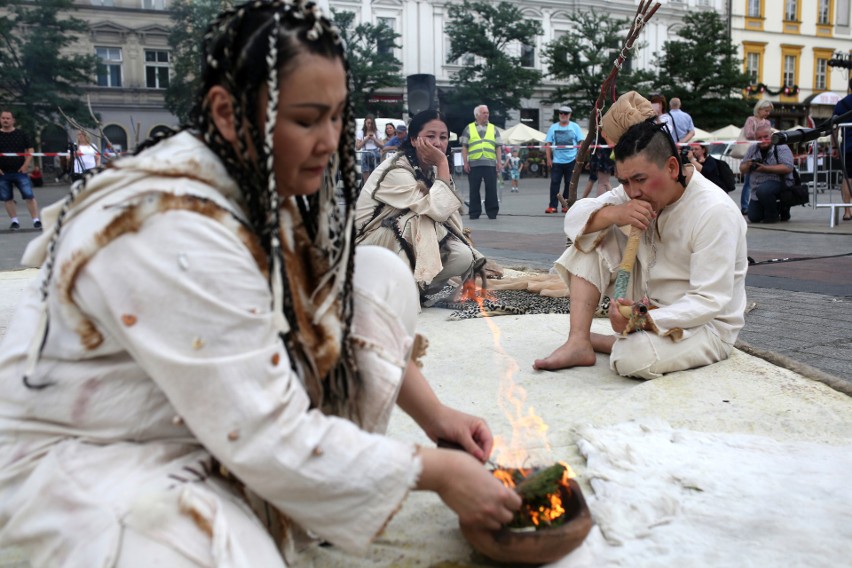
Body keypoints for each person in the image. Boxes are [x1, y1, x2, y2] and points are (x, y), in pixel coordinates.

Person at [0, 2, 520, 565]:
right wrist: (435, 472)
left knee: (378, 275)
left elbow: (325, 314)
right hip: (95, 452)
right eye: (306, 119)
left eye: (338, 117)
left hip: (206, 419)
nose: (329, 140)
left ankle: (309, 499)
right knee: (212, 547)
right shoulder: (169, 221)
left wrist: (437, 418)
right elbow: (263, 431)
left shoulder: (253, 174)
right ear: (227, 112)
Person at [533, 91, 747, 380]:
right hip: (649, 305)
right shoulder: (632, 191)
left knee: (630, 358)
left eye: (640, 180)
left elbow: (709, 301)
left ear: (672, 167)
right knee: (592, 235)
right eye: (625, 182)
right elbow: (574, 219)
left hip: (705, 326)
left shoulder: (714, 211)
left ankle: (611, 343)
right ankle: (579, 340)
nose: (633, 192)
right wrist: (614, 214)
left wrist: (642, 318)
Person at [355, 109, 486, 298]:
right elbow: (437, 210)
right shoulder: (395, 169)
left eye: (443, 137)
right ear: (414, 140)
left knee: (462, 256)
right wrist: (443, 163)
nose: (437, 143)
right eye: (430, 136)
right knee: (417, 221)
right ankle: (393, 289)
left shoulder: (432, 169)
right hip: (370, 245)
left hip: (398, 242)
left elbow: (451, 216)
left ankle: (413, 287)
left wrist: (468, 251)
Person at [740, 124, 795, 223]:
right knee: (754, 217)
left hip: (779, 182)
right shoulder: (752, 149)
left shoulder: (781, 147)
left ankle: (773, 216)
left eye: (765, 137)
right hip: (757, 188)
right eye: (759, 138)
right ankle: (776, 207)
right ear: (755, 139)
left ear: (771, 135)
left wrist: (765, 168)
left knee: (764, 190)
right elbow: (742, 169)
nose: (763, 140)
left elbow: (788, 167)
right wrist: (747, 165)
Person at [0, 110, 41, 230]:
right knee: (7, 198)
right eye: (3, 118)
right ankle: (14, 221)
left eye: (8, 118)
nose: (5, 120)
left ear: (13, 120)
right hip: (3, 172)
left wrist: (26, 165)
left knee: (29, 195)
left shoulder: (21, 133)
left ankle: (36, 220)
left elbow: (31, 150)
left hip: (20, 171)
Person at [460, 105, 502, 220]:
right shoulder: (468, 128)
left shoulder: (494, 129)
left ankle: (492, 212)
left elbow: (498, 147)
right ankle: (474, 212)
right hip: (474, 164)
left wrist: (499, 162)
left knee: (491, 189)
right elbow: (464, 147)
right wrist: (465, 162)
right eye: (484, 113)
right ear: (477, 115)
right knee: (474, 189)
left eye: (487, 112)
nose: (487, 115)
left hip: (490, 163)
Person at [544, 105, 583, 213]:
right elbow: (548, 143)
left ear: (570, 115)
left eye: (566, 113)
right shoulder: (553, 127)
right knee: (554, 183)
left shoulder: (575, 127)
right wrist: (548, 158)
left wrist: (578, 156)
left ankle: (566, 205)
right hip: (557, 161)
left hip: (571, 160)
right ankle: (553, 206)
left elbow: (581, 142)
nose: (563, 115)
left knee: (569, 183)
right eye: (561, 113)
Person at [738, 99, 774, 214]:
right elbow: (748, 134)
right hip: (752, 151)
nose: (768, 113)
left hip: (764, 153)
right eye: (766, 110)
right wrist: (761, 135)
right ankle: (745, 205)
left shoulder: (767, 122)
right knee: (748, 181)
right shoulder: (750, 120)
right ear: (759, 109)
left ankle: (759, 204)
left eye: (769, 111)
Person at [832, 78, 852, 221]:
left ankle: (847, 211)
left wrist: (834, 146)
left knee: (847, 178)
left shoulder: (842, 104)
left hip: (848, 146)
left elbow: (834, 127)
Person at [356, 114, 383, 184]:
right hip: (365, 154)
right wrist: (365, 139)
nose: (369, 125)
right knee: (366, 178)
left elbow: (382, 145)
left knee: (376, 177)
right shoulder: (361, 132)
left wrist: (374, 139)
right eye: (368, 123)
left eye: (371, 123)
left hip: (375, 154)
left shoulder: (377, 132)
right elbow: (358, 147)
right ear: (365, 122)